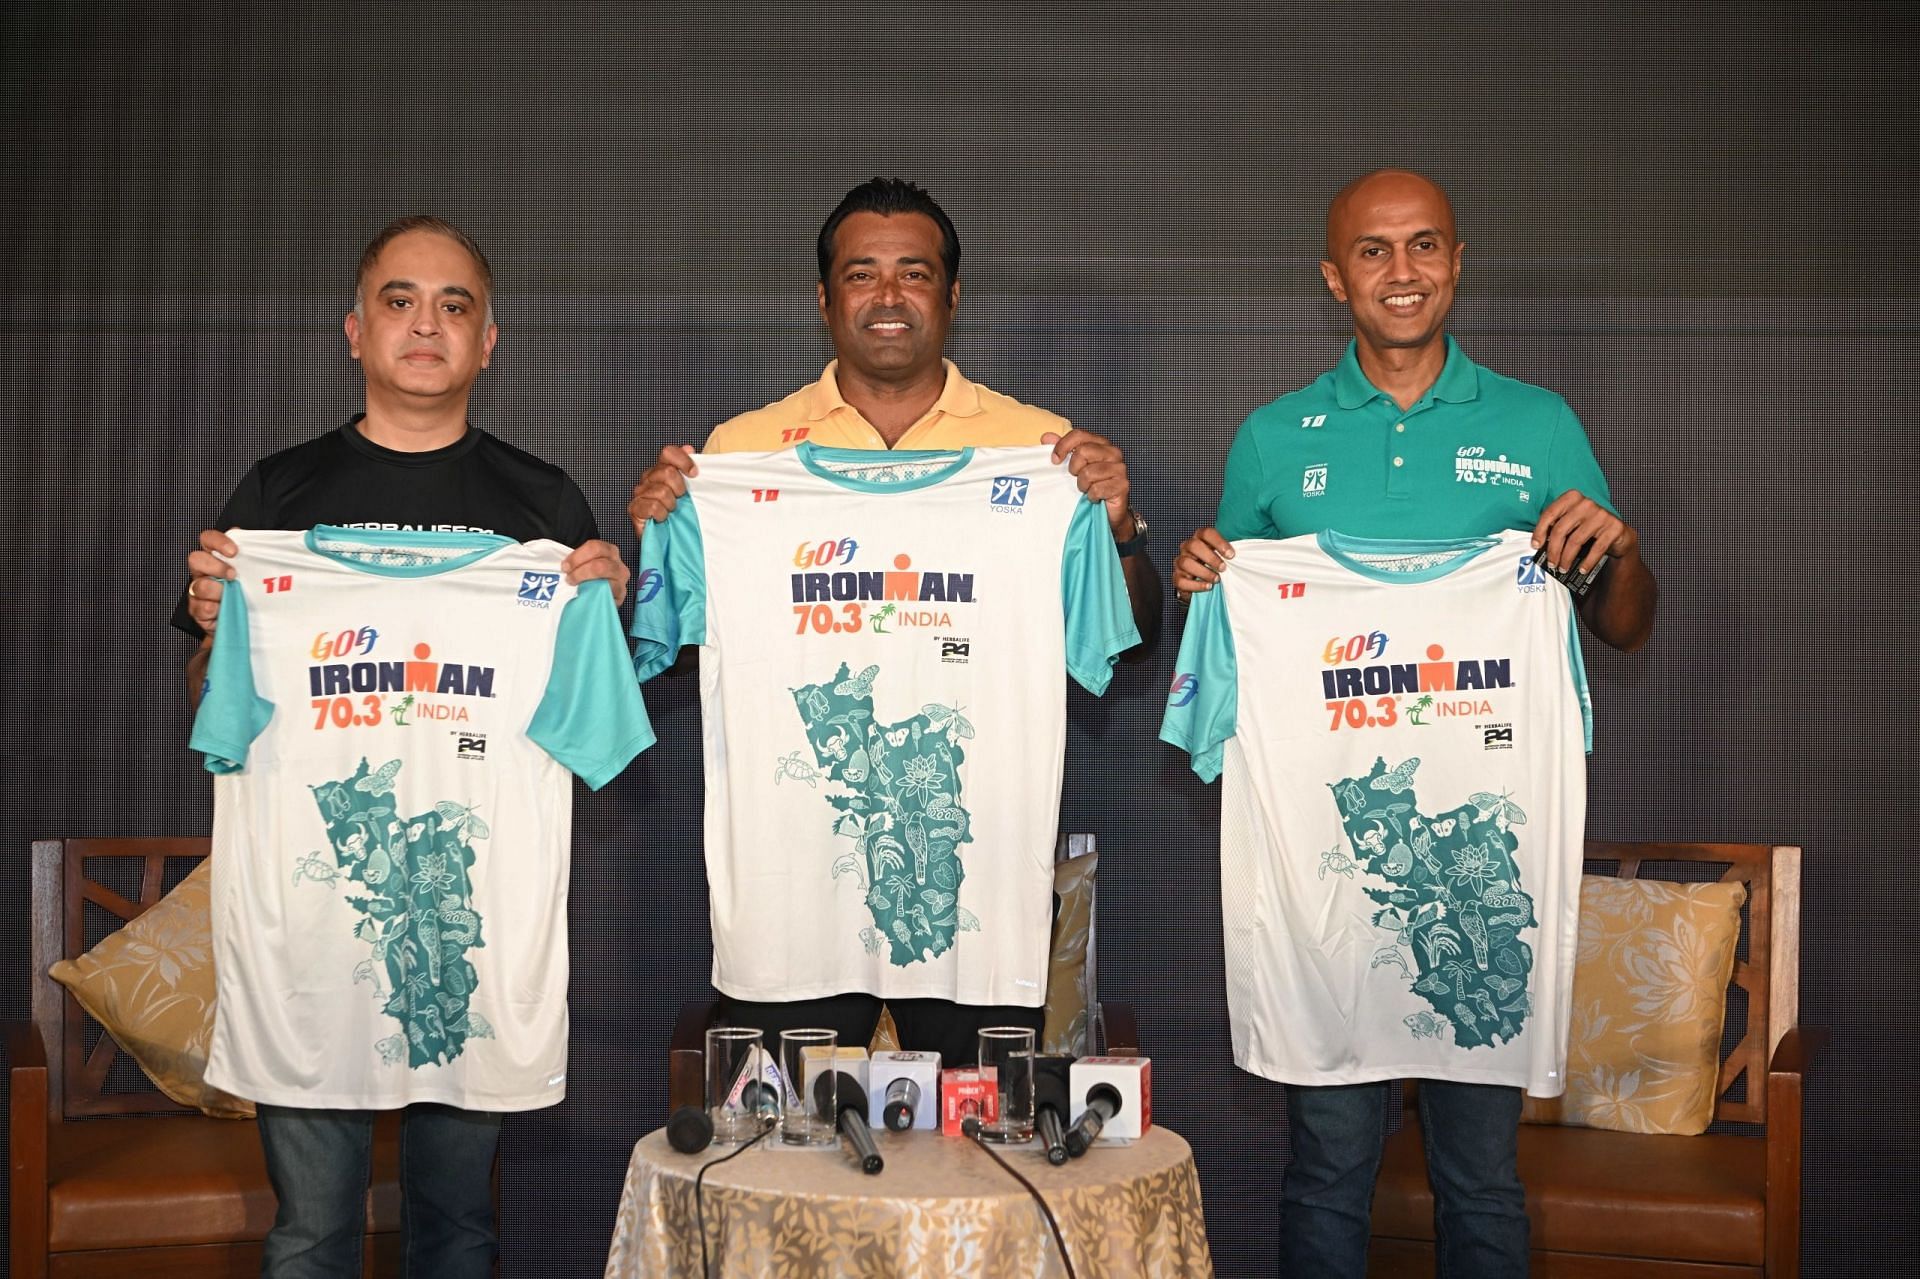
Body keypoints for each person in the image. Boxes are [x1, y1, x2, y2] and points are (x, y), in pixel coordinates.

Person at [1172, 169, 1657, 1277]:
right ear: (1334, 276)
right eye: (1377, 252)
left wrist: (1619, 552)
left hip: (1484, 875)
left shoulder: (1536, 425)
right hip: (1333, 890)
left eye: (1425, 247)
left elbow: (1624, 628)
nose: (1404, 272)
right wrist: (1209, 579)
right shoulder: (1272, 439)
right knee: (1328, 1172)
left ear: (1457, 261)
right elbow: (1225, 628)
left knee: (1481, 1182)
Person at [176, 215, 630, 1277]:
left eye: (454, 305)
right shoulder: (273, 508)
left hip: (465, 940)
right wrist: (214, 627)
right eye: (399, 300)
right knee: (311, 1235)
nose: (426, 324)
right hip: (307, 942)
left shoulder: (543, 510)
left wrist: (598, 616)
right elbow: (213, 716)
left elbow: (594, 727)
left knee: (456, 1231)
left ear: (487, 341)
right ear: (354, 329)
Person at [626, 177, 1160, 1065]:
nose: (886, 296)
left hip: (973, 913)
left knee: (985, 1175)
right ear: (825, 297)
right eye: (861, 274)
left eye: (913, 274)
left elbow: (1121, 635)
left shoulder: (1041, 452)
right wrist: (662, 533)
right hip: (790, 914)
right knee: (776, 1171)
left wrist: (1116, 528)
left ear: (951, 296)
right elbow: (671, 648)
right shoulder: (738, 456)